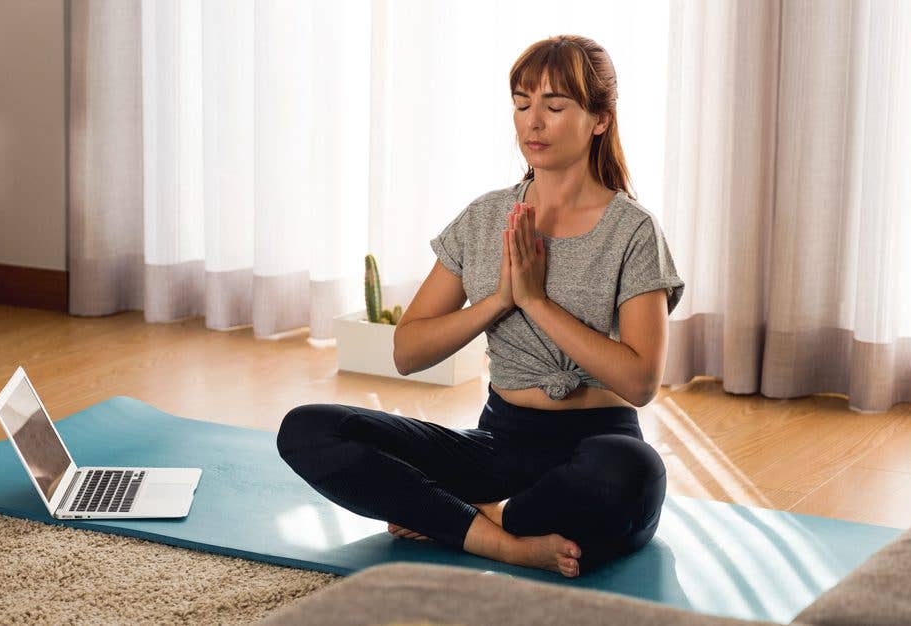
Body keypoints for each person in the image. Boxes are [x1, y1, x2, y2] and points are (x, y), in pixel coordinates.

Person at [277, 35, 685, 578]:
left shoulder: (633, 230)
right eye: (522, 104)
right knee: (308, 429)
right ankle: (504, 541)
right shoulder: (485, 218)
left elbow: (640, 383)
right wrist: (497, 300)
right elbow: (407, 351)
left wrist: (536, 302)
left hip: (596, 449)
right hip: (498, 447)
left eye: (554, 106)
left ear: (599, 119)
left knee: (633, 472)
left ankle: (465, 518)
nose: (532, 123)